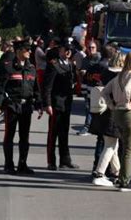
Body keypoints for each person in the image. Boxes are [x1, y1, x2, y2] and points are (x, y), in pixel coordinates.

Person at [0, 39, 43, 175]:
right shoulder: (8, 66)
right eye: (27, 49)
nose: (30, 52)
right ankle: (9, 165)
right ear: (19, 50)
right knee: (9, 136)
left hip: (26, 106)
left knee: (24, 137)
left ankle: (22, 164)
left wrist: (39, 104)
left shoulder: (31, 68)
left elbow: (36, 88)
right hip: (12, 105)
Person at [102, 52, 131, 192]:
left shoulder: (118, 76)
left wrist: (112, 105)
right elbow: (127, 89)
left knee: (125, 146)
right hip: (127, 113)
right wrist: (130, 103)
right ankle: (124, 180)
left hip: (117, 113)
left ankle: (121, 178)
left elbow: (104, 92)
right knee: (129, 149)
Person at [42, 42, 79, 171]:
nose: (68, 52)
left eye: (70, 50)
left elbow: (73, 82)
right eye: (66, 49)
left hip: (66, 102)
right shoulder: (53, 64)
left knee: (64, 132)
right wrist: (47, 104)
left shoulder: (70, 65)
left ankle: (65, 160)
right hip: (56, 103)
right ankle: (51, 161)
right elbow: (47, 86)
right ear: (60, 50)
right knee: (53, 133)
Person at [91, 50, 125, 187]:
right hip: (114, 112)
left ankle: (117, 173)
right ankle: (99, 173)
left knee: (112, 144)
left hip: (103, 111)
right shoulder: (120, 76)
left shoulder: (105, 72)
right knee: (111, 145)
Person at [77, 40, 101, 136]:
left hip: (96, 87)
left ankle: (89, 126)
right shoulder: (85, 59)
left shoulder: (99, 59)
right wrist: (80, 72)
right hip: (86, 86)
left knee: (95, 107)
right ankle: (89, 126)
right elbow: (82, 73)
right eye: (89, 47)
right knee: (88, 107)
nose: (91, 49)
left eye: (93, 47)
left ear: (96, 48)